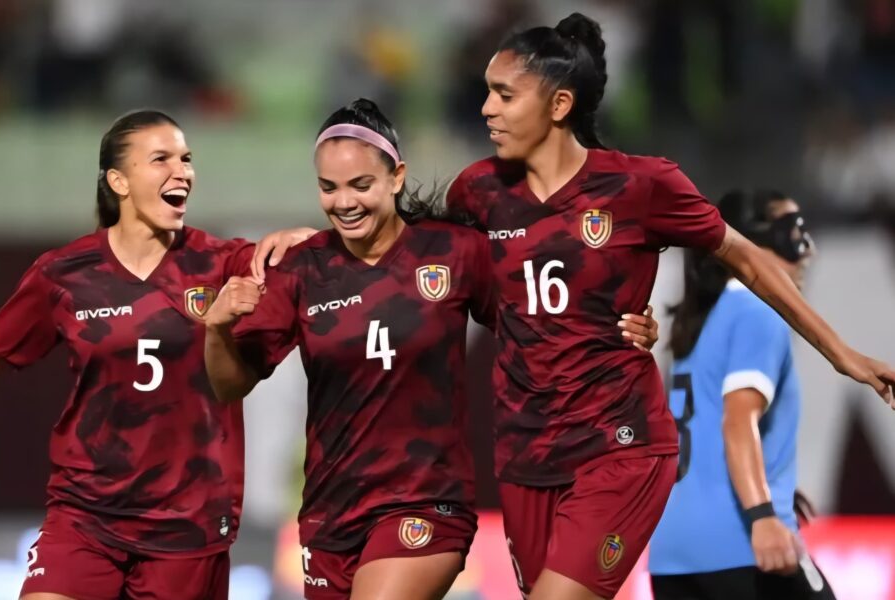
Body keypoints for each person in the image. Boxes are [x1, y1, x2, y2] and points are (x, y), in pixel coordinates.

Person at [252, 13, 893, 600]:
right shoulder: (480, 191)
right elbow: (404, 242)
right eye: (487, 91)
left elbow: (747, 257)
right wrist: (319, 239)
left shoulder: (642, 186)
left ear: (558, 105)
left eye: (505, 94)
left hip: (618, 443)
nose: (486, 108)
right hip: (527, 455)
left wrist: (841, 353)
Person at [0, 110, 310, 600]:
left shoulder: (222, 261)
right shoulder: (64, 274)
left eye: (186, 159)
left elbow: (311, 258)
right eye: (160, 159)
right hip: (87, 515)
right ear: (119, 180)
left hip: (187, 526)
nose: (181, 171)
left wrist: (302, 238)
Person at [203, 99, 660, 600]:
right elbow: (229, 384)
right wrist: (218, 330)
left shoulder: (455, 251)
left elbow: (544, 307)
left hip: (425, 502)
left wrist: (626, 320)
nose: (344, 202)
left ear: (397, 177)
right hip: (330, 514)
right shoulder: (301, 269)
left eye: (361, 185)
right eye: (328, 188)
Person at [648, 190, 836, 599]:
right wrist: (762, 512)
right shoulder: (758, 310)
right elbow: (736, 421)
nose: (809, 250)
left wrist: (770, 480)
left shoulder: (698, 320)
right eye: (794, 232)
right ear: (753, 241)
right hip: (738, 541)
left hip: (671, 551)